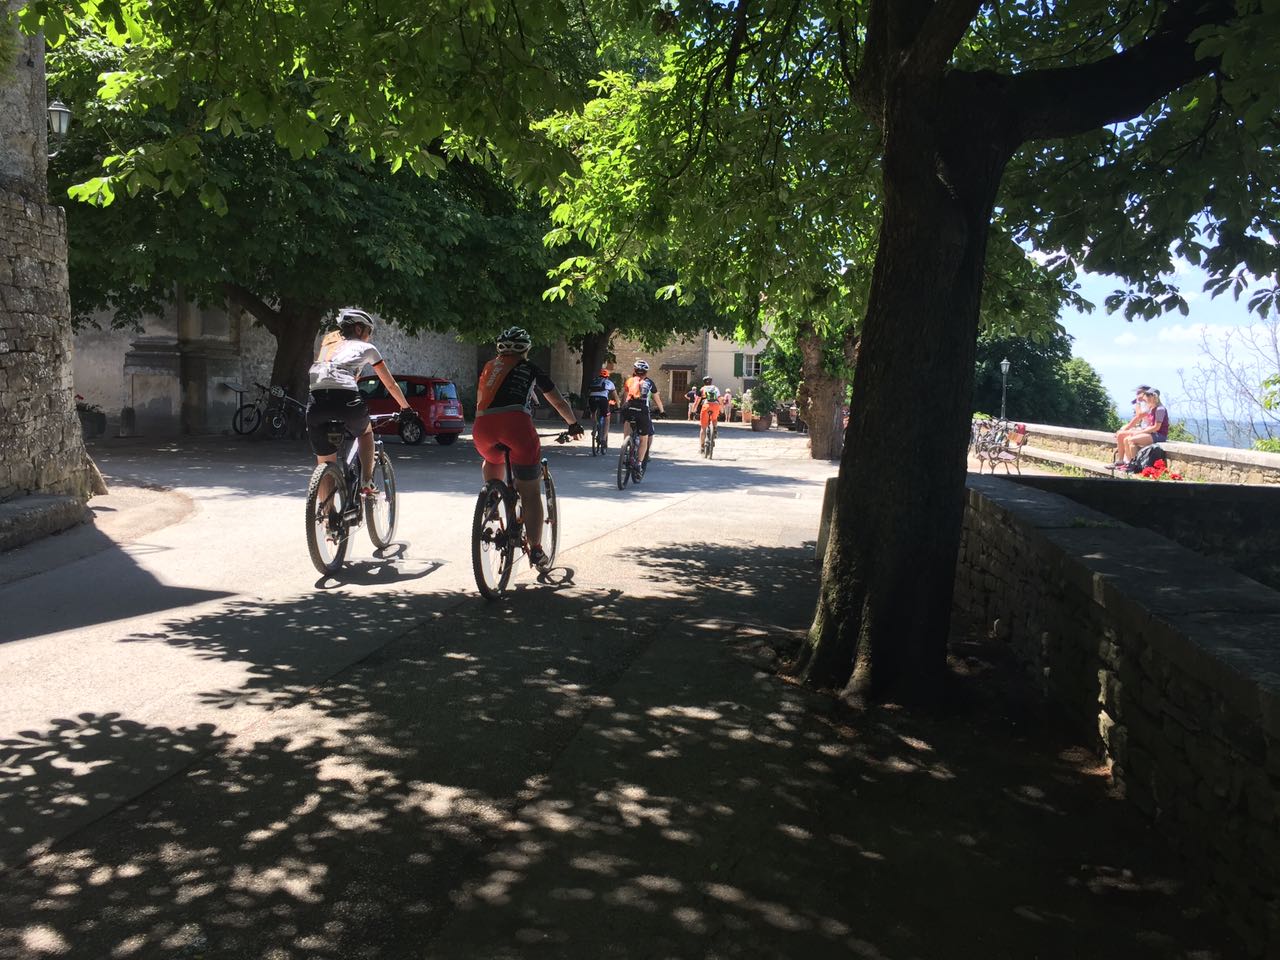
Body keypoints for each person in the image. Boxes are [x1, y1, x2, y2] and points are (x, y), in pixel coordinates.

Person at [473, 327, 583, 570]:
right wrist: (573, 423)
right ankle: (536, 549)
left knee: (492, 460)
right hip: (516, 427)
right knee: (530, 492)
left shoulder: (489, 368)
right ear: (526, 349)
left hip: (482, 428)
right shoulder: (530, 368)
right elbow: (557, 401)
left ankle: (491, 502)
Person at [306, 307, 417, 498]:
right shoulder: (367, 349)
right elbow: (390, 384)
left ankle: (326, 513)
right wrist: (406, 407)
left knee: (325, 462)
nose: (369, 336)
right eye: (369, 331)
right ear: (358, 329)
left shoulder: (327, 347)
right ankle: (366, 482)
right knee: (366, 433)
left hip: (316, 403)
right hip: (346, 401)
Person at [620, 360, 665, 479]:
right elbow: (657, 399)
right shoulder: (650, 383)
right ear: (646, 372)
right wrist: (662, 412)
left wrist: (622, 408)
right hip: (642, 410)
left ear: (634, 371)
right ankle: (639, 464)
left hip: (628, 408)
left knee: (627, 421)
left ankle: (625, 444)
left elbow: (625, 397)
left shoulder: (629, 381)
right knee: (643, 439)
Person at [1117, 389, 1170, 468]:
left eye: (1148, 395)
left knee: (1131, 440)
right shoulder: (1152, 408)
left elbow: (1156, 427)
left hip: (1159, 435)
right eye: (1146, 395)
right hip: (1152, 433)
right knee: (1126, 439)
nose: (1146, 397)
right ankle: (1128, 463)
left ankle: (1136, 466)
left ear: (1154, 397)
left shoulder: (1160, 409)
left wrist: (1140, 432)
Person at [1110, 384, 1154, 466]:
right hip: (1143, 428)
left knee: (1123, 436)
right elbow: (1136, 419)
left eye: (1139, 392)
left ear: (1146, 393)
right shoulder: (1143, 404)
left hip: (1148, 430)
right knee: (1121, 433)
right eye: (1137, 393)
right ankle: (1122, 460)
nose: (1137, 395)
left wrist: (1137, 402)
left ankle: (1129, 463)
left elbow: (1139, 415)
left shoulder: (1150, 405)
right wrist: (1126, 428)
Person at [585, 366, 618, 447]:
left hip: (592, 398)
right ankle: (603, 439)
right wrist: (618, 406)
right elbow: (615, 396)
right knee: (607, 417)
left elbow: (588, 392)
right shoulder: (609, 382)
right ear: (607, 376)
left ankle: (594, 426)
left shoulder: (594, 381)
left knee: (593, 413)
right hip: (603, 399)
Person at [693, 375, 722, 451]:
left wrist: (694, 409)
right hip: (715, 405)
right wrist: (721, 408)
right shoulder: (715, 388)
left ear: (704, 382)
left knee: (703, 428)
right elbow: (720, 399)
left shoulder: (702, 389)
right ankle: (714, 430)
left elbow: (697, 401)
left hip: (706, 406)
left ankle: (702, 447)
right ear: (711, 382)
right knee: (714, 419)